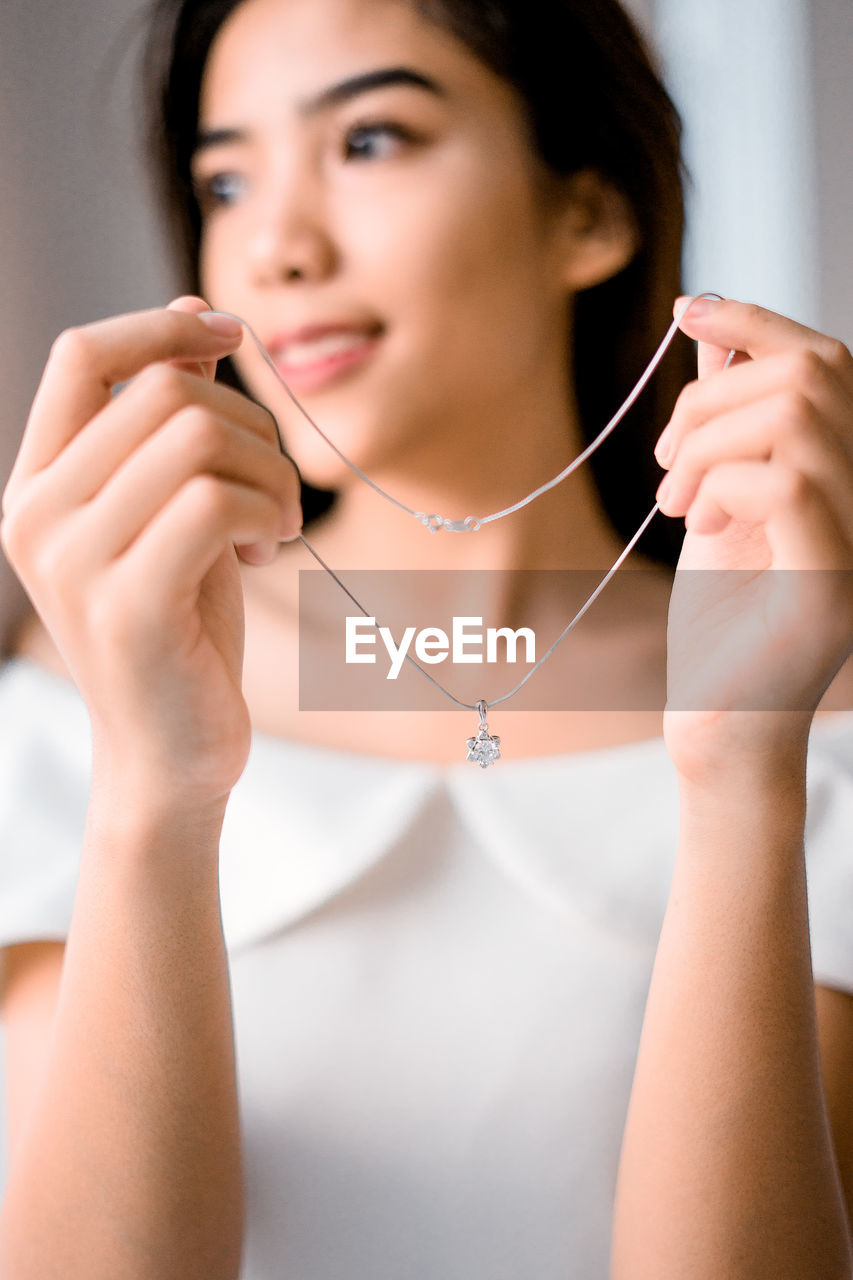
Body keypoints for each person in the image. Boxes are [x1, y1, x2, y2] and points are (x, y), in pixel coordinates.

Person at [0, 0, 851, 1275]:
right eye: (227, 178)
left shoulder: (810, 705)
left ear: (589, 210)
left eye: (370, 140)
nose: (275, 247)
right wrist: (155, 791)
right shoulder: (91, 683)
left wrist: (741, 771)